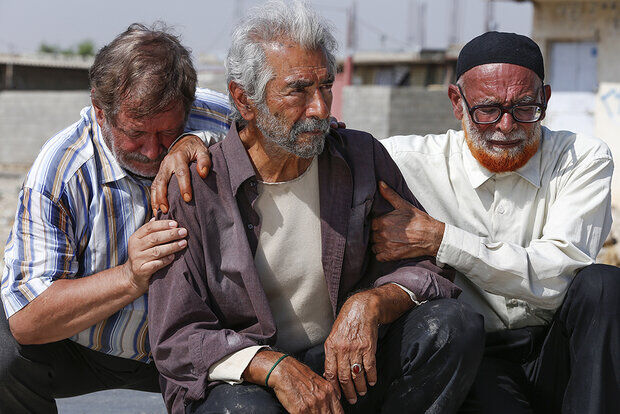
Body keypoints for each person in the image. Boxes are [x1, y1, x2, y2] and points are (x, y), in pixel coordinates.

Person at [147, 2, 484, 413]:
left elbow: (427, 268)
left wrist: (372, 303)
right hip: (248, 383)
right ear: (244, 99)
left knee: (453, 325)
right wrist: (271, 366)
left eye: (326, 86)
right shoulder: (195, 187)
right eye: (298, 90)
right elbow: (176, 337)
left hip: (349, 371)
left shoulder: (361, 158)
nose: (321, 109)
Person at [369, 32, 619, 413]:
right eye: (486, 110)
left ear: (545, 100)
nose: (506, 126)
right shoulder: (408, 161)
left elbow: (556, 279)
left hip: (559, 346)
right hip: (477, 355)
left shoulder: (581, 159)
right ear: (457, 102)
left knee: (603, 284)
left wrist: (442, 240)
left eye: (523, 107)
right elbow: (331, 155)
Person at [0, 24, 231, 413]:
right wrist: (130, 276)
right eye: (136, 133)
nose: (153, 150)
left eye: (169, 133)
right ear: (100, 111)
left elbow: (314, 139)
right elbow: (28, 318)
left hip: (202, 347)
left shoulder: (220, 120)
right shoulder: (61, 170)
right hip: (85, 351)